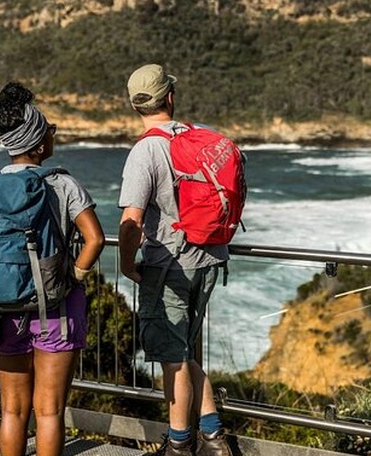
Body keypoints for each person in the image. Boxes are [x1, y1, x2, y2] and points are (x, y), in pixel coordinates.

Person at [0, 82, 105, 456]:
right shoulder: (63, 184)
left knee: (12, 410)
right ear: (36, 144)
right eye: (49, 130)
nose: (53, 135)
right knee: (49, 411)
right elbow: (94, 239)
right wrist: (73, 278)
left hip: (0, 310)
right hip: (56, 309)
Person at [118, 64, 232, 456]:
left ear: (136, 105)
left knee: (172, 359)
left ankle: (179, 444)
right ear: (170, 97)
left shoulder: (146, 149)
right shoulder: (196, 134)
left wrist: (125, 263)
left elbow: (131, 221)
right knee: (183, 351)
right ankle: (214, 437)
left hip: (169, 264)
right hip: (210, 257)